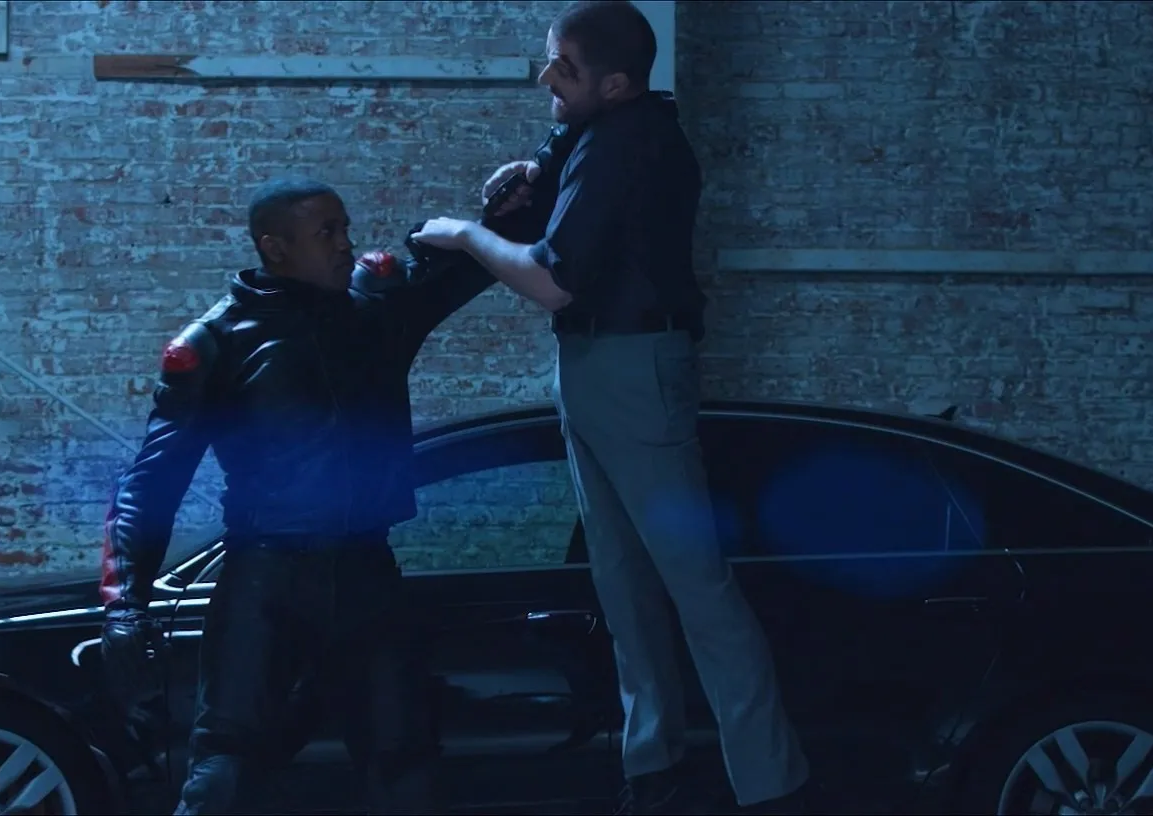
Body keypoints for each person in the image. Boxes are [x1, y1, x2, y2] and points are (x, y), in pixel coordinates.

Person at [409, 2, 810, 814]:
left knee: (697, 589)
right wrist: (531, 171)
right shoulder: (601, 129)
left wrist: (463, 233)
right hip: (596, 365)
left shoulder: (631, 140)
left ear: (618, 83)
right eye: (550, 59)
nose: (545, 78)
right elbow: (560, 170)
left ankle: (773, 787)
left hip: (632, 367)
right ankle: (653, 773)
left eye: (563, 68)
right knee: (622, 583)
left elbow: (553, 279)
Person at [96, 177, 536, 815]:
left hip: (366, 572)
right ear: (275, 247)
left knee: (402, 757)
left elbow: (474, 266)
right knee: (228, 766)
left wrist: (525, 198)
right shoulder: (217, 342)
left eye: (344, 229)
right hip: (266, 580)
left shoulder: (376, 310)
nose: (344, 244)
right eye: (325, 232)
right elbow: (153, 479)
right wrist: (125, 603)